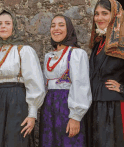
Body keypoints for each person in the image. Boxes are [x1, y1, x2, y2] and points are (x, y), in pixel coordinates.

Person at [0, 9, 45, 147]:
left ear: (14, 26)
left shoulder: (24, 51)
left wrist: (32, 113)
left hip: (17, 102)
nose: (3, 26)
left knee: (15, 141)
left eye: (7, 23)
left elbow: (34, 82)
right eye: (0, 23)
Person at [39, 14, 92, 147]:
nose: (56, 28)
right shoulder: (48, 56)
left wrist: (75, 117)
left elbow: (81, 85)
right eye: (53, 25)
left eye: (61, 25)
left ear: (69, 29)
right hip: (49, 106)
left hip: (67, 105)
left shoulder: (77, 54)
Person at [85, 0, 124, 146]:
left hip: (113, 108)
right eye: (96, 14)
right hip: (94, 106)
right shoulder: (98, 43)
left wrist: (121, 88)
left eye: (104, 13)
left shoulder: (122, 43)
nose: (99, 18)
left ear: (115, 15)